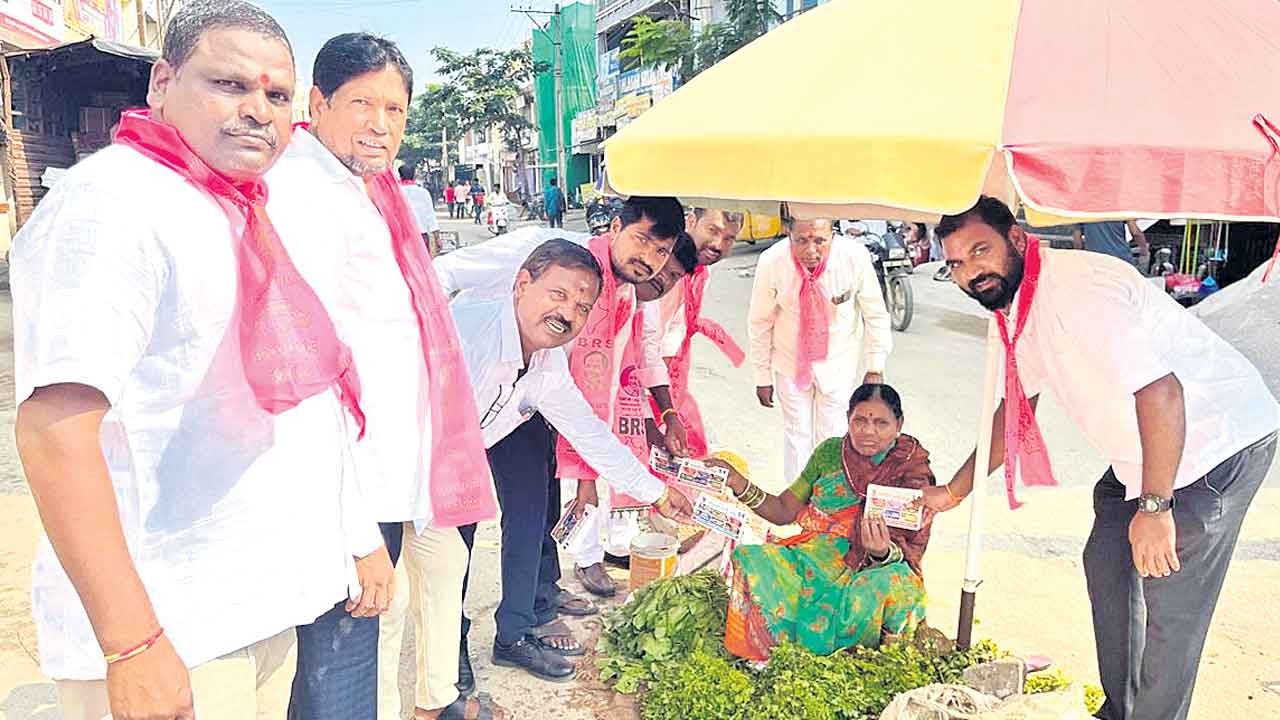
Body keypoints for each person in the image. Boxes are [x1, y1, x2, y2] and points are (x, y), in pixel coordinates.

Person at [9, 2, 365, 717]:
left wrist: (350, 538)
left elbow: (300, 406)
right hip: (171, 625)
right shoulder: (112, 207)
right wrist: (132, 644)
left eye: (276, 95)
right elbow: (55, 431)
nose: (258, 110)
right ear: (162, 83)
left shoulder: (236, 205)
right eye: (229, 84)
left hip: (250, 603)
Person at [919, 196, 1279, 720]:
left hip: (1215, 442)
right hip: (1146, 450)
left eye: (980, 251)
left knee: (1170, 601)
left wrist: (1155, 508)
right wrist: (954, 491)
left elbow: (1162, 392)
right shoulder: (1019, 302)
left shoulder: (1077, 294)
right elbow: (1016, 410)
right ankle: (1120, 709)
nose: (970, 273)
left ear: (1016, 239)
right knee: (1108, 559)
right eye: (955, 263)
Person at [266, 33, 497, 720]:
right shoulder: (302, 194)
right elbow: (303, 376)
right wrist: (356, 529)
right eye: (362, 103)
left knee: (356, 664)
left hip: (385, 476)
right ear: (317, 103)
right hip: (348, 489)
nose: (380, 125)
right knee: (337, 679)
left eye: (394, 109)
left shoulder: (369, 190)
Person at [434, 196, 689, 671]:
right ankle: (450, 652)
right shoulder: (541, 252)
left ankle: (514, 631)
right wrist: (429, 335)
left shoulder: (615, 305)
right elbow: (443, 273)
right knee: (449, 541)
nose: (648, 259)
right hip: (448, 415)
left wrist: (654, 491)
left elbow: (590, 418)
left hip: (528, 400)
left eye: (660, 252)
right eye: (642, 240)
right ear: (615, 227)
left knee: (531, 516)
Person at [710, 383, 931, 660]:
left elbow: (911, 547)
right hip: (814, 556)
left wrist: (881, 553)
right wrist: (737, 482)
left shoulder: (911, 470)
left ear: (899, 424)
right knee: (751, 559)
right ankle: (770, 657)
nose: (868, 431)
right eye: (860, 421)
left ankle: (866, 661)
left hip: (873, 567)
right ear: (848, 418)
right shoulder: (830, 453)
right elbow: (783, 511)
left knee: (888, 587)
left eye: (881, 423)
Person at [560, 233, 701, 596]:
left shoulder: (645, 301)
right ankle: (585, 558)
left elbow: (649, 355)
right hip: (571, 392)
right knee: (580, 481)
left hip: (620, 393)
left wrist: (667, 415)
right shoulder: (599, 284)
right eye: (662, 270)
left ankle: (616, 545)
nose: (662, 280)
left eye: (672, 276)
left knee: (622, 466)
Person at [748, 217, 893, 483]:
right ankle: (797, 500)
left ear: (832, 234)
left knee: (833, 436)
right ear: (788, 234)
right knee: (797, 435)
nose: (811, 250)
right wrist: (762, 376)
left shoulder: (854, 257)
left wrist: (875, 366)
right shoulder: (772, 261)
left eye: (819, 241)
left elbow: (875, 314)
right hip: (790, 362)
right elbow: (760, 321)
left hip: (838, 363)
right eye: (801, 240)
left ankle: (828, 498)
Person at [1072, 220, 1150, 270]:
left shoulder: (1083, 210)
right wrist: (1144, 253)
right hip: (1121, 261)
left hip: (1095, 263)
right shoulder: (1119, 206)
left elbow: (1077, 242)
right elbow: (1135, 233)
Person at [400, 163, 442, 255]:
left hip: (401, 238)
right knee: (422, 263)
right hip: (421, 236)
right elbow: (430, 216)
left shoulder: (396, 193)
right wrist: (437, 238)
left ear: (400, 176)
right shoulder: (423, 192)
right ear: (414, 176)